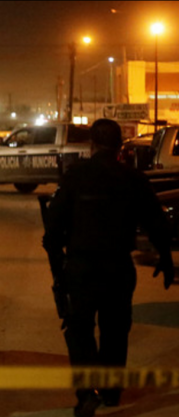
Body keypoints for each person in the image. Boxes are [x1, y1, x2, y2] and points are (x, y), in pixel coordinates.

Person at [43, 119, 175, 417]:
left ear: (91, 144)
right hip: (118, 267)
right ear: (119, 146)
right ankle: (112, 393)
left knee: (79, 331)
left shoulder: (76, 177)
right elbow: (156, 222)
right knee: (115, 332)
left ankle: (88, 391)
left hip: (81, 267)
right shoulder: (133, 178)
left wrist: (58, 273)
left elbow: (52, 231)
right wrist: (165, 259)